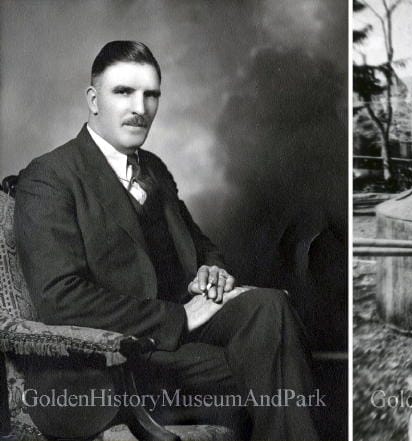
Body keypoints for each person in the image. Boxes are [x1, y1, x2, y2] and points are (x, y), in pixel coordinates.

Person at [14, 40, 319, 441]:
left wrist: (211, 271)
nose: (140, 108)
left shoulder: (153, 169)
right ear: (93, 99)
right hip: (105, 364)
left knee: (270, 308)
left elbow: (199, 243)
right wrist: (180, 317)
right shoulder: (50, 176)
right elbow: (60, 299)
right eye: (123, 92)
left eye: (151, 94)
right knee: (279, 360)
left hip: (170, 344)